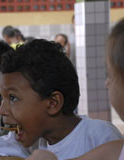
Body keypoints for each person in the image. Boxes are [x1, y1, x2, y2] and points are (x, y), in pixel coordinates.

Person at [0, 39, 121, 160]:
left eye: (12, 98)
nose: (1, 110)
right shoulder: (29, 140)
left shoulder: (100, 135)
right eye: (2, 98)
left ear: (52, 103)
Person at [26, 18, 124, 160]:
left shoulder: (103, 137)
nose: (106, 83)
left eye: (110, 74)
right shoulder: (115, 149)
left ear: (53, 103)